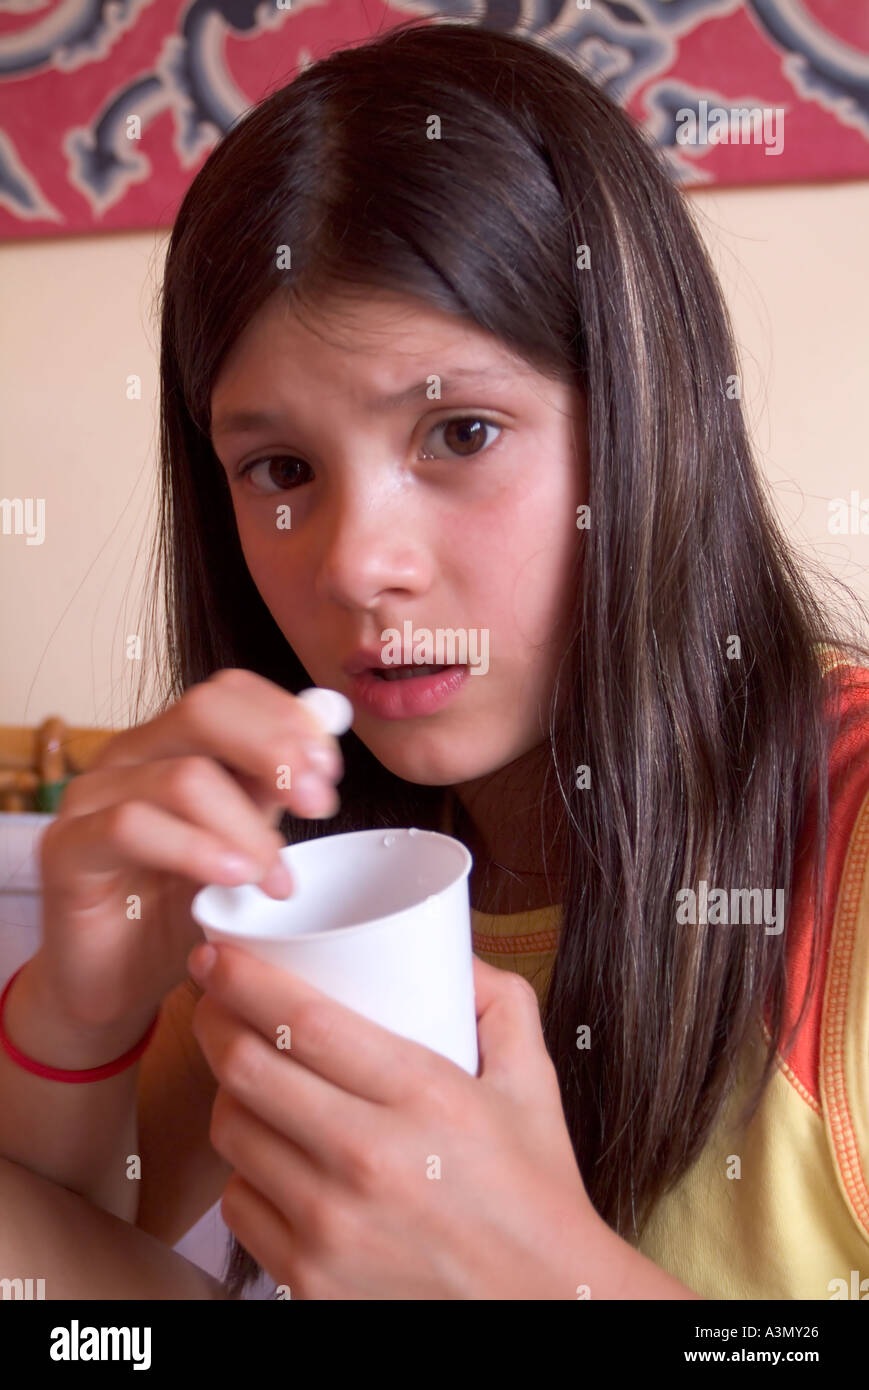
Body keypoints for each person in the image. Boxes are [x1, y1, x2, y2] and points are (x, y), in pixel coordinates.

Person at [2, 18, 867, 1301]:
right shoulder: (315, 865)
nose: (355, 564)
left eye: (460, 430)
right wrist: (77, 1013)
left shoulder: (840, 834)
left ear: (645, 421)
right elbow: (88, 1273)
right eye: (280, 470)